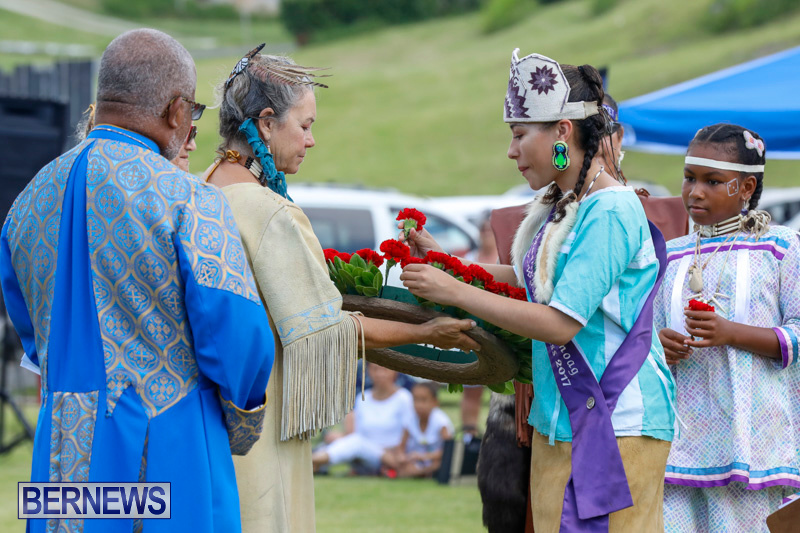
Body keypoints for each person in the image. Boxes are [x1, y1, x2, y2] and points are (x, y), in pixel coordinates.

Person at [0, 29, 275, 533]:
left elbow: (34, 337)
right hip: (167, 445)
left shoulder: (26, 204)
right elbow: (241, 343)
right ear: (176, 110)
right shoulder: (188, 200)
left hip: (63, 454)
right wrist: (239, 421)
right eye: (192, 114)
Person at [203, 46, 479, 532]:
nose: (311, 140)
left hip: (204, 419)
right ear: (266, 123)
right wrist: (429, 330)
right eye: (305, 125)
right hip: (255, 425)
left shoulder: (198, 188)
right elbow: (324, 330)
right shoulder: (268, 212)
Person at [400, 49, 676, 531]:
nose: (511, 151)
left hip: (618, 420)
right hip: (563, 417)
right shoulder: (565, 204)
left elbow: (560, 322)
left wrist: (455, 291)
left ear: (562, 132)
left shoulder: (608, 211)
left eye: (519, 134)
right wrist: (447, 263)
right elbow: (533, 282)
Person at [654, 124, 800, 532]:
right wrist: (657, 346)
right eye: (689, 178)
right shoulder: (669, 255)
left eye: (712, 181)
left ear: (747, 186)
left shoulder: (780, 248)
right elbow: (641, 339)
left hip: (753, 445)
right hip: (678, 446)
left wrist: (732, 333)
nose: (695, 191)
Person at [312, 363, 412, 474]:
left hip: (390, 454)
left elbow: (409, 430)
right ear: (368, 372)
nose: (380, 374)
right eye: (375, 369)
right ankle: (315, 463)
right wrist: (341, 437)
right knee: (347, 441)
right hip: (363, 450)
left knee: (357, 443)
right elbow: (356, 433)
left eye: (384, 369)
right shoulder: (363, 398)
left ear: (394, 372)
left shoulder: (404, 398)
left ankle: (312, 460)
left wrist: (396, 453)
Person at [383, 381, 454, 478]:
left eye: (423, 400)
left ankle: (417, 473)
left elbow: (448, 451)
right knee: (389, 454)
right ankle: (418, 473)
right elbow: (401, 446)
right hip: (415, 461)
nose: (419, 405)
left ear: (435, 402)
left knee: (438, 464)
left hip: (434, 461)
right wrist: (401, 456)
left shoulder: (441, 422)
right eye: (415, 400)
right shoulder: (410, 419)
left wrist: (424, 456)